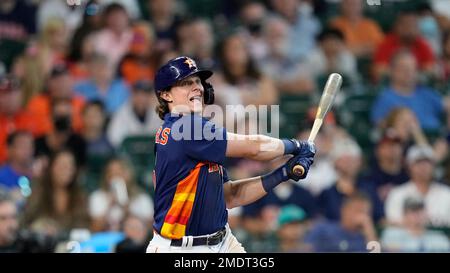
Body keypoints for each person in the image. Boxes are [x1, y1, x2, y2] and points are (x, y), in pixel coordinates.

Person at [146, 56, 315, 253]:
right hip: (182, 249)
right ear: (166, 95)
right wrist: (296, 145)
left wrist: (283, 173)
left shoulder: (191, 131)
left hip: (224, 241)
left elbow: (231, 196)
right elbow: (255, 148)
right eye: (186, 83)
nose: (197, 88)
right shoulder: (185, 127)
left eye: (197, 81)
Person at [385, 145, 450, 228]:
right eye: (418, 163)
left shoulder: (447, 193)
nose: (423, 167)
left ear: (434, 166)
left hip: (442, 240)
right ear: (409, 166)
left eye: (427, 163)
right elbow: (393, 225)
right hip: (405, 240)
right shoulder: (397, 194)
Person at [381, 197, 450, 252]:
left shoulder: (439, 237)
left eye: (421, 211)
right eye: (413, 211)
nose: (418, 215)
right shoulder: (392, 235)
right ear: (404, 215)